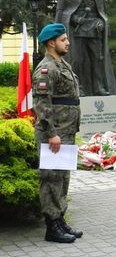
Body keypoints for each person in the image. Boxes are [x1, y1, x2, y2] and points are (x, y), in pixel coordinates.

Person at [32, 23, 83, 243]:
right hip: (53, 134)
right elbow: (42, 104)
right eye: (64, 39)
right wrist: (51, 133)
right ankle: (52, 227)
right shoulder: (46, 69)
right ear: (51, 43)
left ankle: (60, 219)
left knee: (62, 178)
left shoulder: (62, 64)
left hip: (66, 131)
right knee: (51, 178)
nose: (68, 42)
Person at [55, 0, 116, 96]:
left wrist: (101, 22)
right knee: (77, 59)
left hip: (95, 30)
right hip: (76, 30)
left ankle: (98, 87)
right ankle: (78, 86)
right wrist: (72, 21)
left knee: (98, 59)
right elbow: (61, 11)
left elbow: (102, 12)